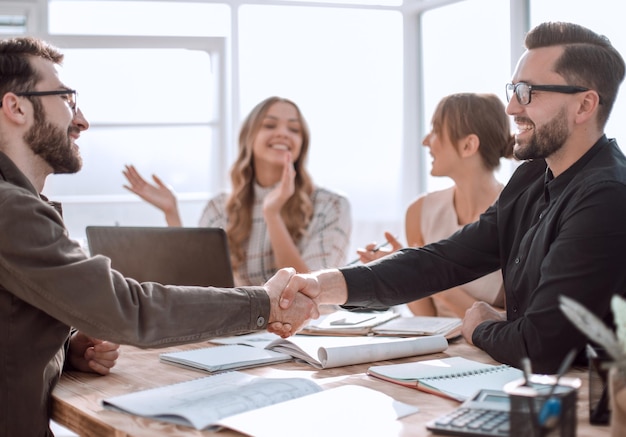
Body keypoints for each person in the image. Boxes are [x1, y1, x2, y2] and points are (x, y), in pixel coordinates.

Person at [0, 37, 315, 436]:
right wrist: (264, 303)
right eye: (67, 99)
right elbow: (129, 310)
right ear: (16, 107)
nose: (81, 121)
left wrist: (64, 347)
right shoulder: (10, 209)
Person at [273, 21, 626, 374]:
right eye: (513, 89)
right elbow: (443, 260)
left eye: (527, 92)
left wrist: (480, 327)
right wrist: (321, 286)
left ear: (584, 106)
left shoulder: (605, 197)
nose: (511, 109)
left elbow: (541, 346)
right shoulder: (533, 177)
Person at [123, 97, 352, 286]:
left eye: (294, 129)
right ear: (249, 139)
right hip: (240, 333)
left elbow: (312, 290)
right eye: (269, 125)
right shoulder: (219, 208)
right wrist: (172, 214)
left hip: (308, 335)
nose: (283, 133)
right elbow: (199, 284)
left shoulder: (330, 206)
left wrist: (272, 214)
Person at [357, 93, 513, 318]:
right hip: (436, 347)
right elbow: (426, 318)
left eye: (436, 130)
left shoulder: (519, 215)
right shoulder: (419, 212)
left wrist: (424, 275)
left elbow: (511, 322)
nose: (425, 141)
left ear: (468, 145)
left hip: (490, 350)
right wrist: (403, 274)